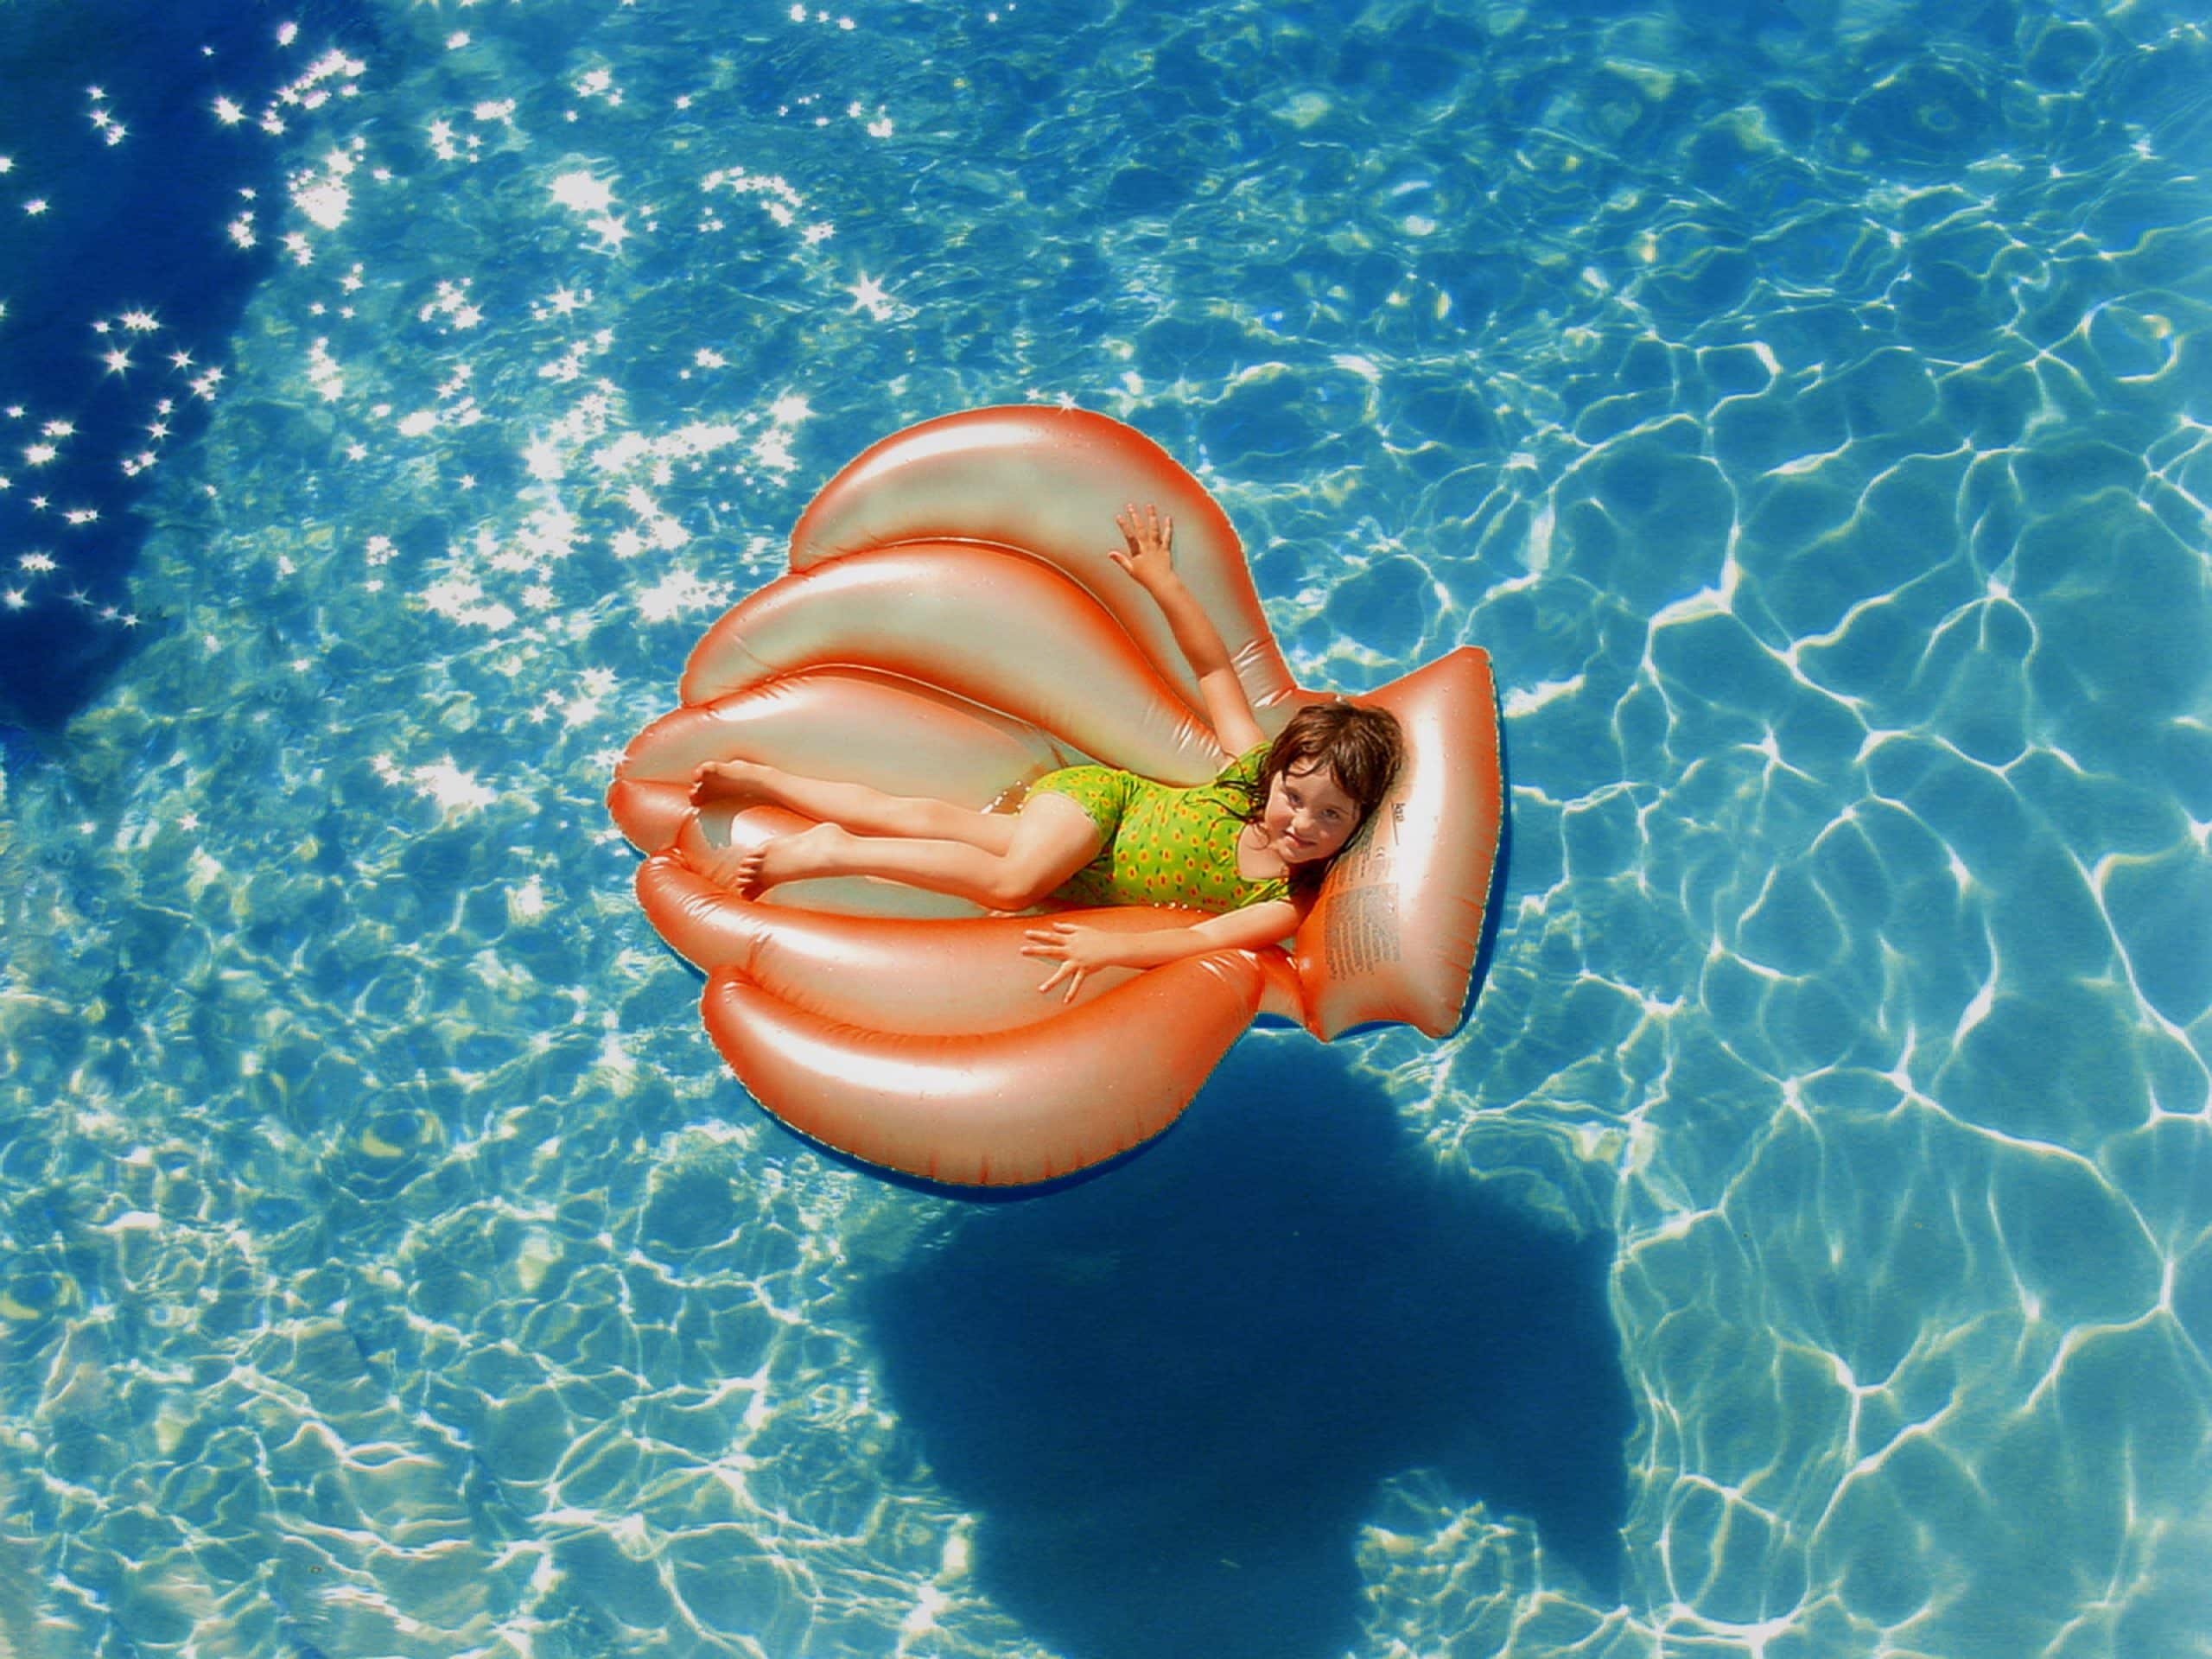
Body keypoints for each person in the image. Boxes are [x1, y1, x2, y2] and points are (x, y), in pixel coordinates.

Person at [690, 504, 1405, 1000]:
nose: (1301, 822)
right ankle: (833, 850)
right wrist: (1165, 583)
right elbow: (1217, 672)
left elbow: (1204, 939)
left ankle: (764, 778)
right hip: (1101, 806)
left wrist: (1113, 948)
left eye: (1331, 817)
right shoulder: (1249, 772)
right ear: (1277, 775)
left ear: (1359, 825)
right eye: (1296, 794)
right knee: (1011, 886)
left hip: (1084, 867)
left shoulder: (1281, 900)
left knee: (924, 817)